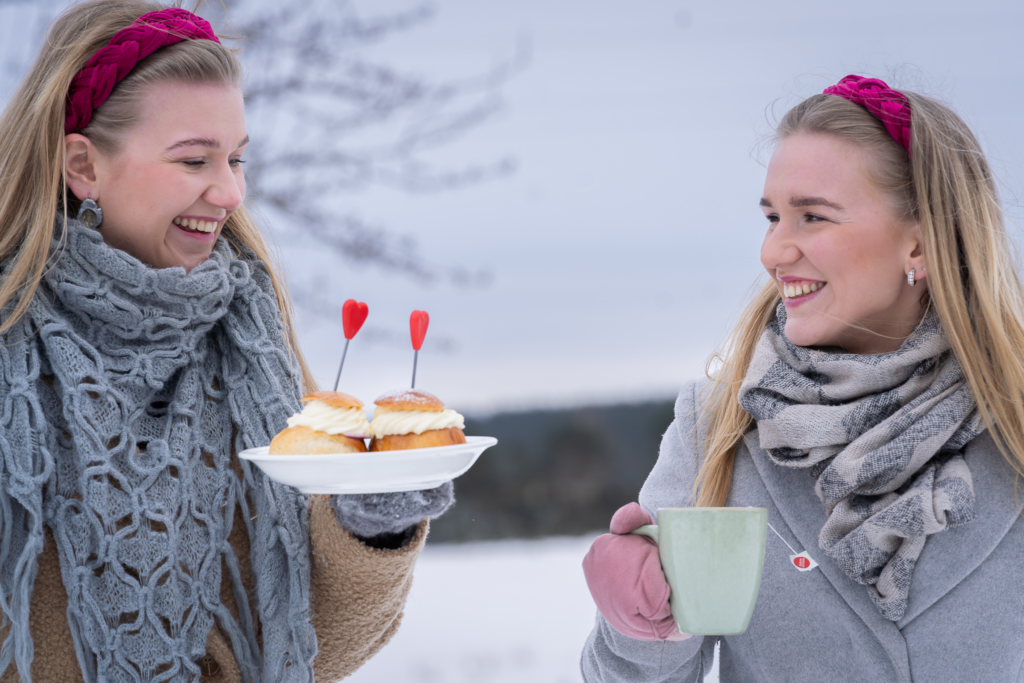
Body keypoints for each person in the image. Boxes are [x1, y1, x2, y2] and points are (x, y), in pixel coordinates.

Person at [0, 2, 454, 681]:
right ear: (83, 166)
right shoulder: (12, 345)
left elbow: (307, 647)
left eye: (238, 158)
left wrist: (369, 531)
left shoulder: (252, 342)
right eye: (195, 160)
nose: (231, 191)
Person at [580, 74, 1024, 682]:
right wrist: (636, 627)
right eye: (772, 217)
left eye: (812, 216)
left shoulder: (1016, 424)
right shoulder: (720, 428)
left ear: (919, 245)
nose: (773, 252)